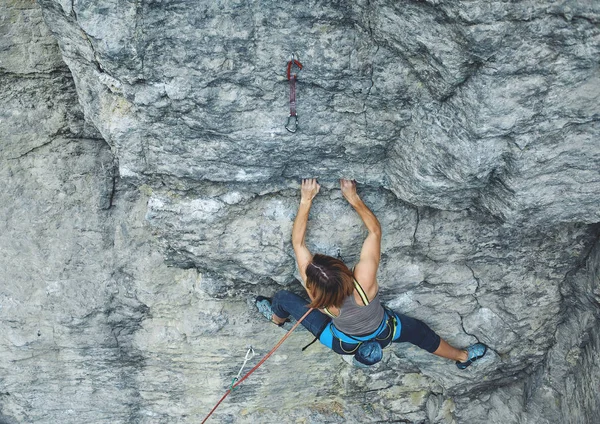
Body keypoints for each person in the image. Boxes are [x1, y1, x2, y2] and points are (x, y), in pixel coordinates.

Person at [256, 178, 487, 368]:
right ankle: (463, 358)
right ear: (344, 271)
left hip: (343, 341)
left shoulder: (315, 293)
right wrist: (354, 198)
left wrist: (306, 199)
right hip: (384, 330)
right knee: (422, 334)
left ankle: (278, 320)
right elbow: (374, 232)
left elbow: (298, 244)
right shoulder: (363, 285)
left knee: (283, 299)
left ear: (314, 287)